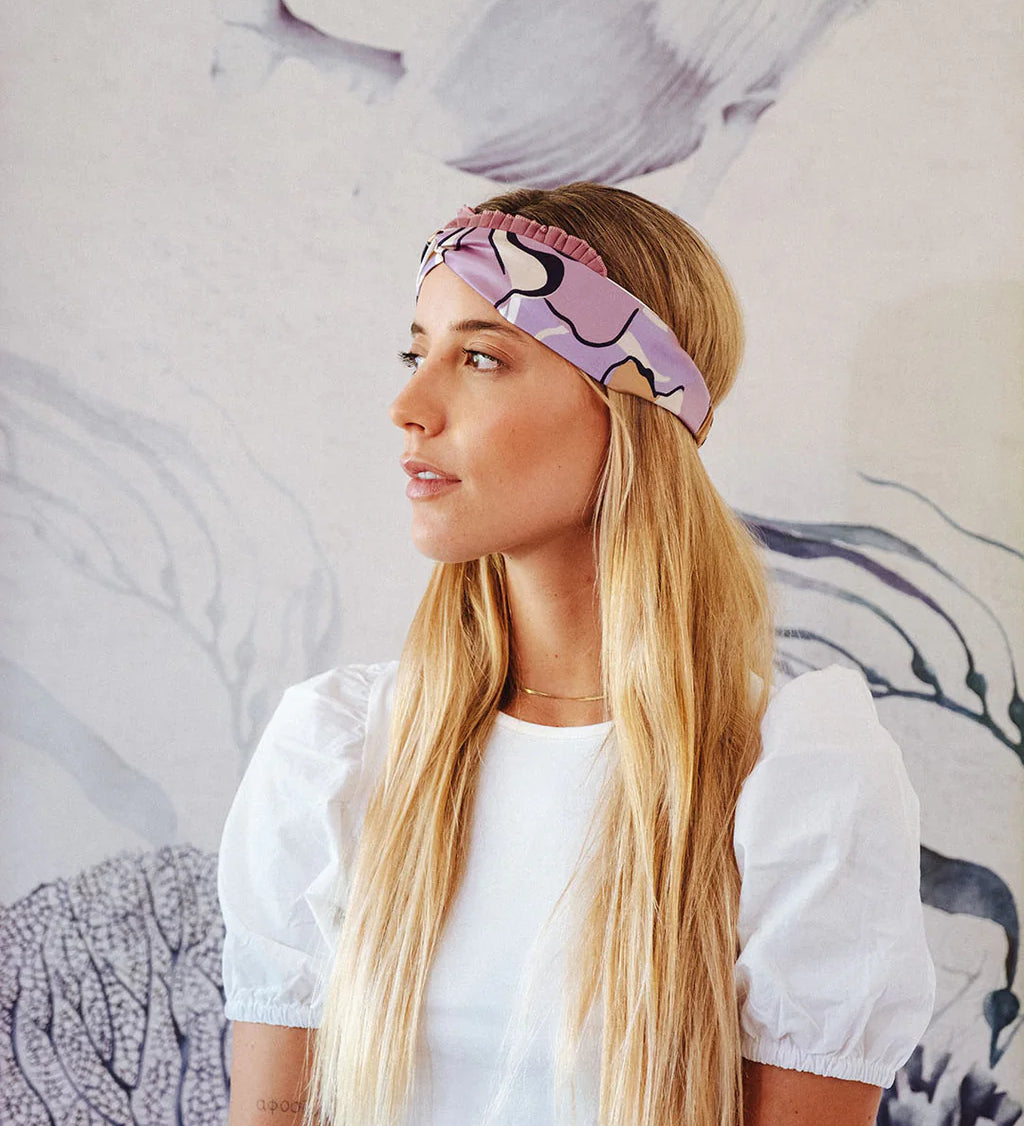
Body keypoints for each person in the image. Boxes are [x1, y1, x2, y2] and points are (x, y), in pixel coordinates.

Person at [218, 182, 936, 1126]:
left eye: (481, 356)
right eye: (416, 352)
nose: (408, 405)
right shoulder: (339, 753)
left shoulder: (794, 784)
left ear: (630, 403)